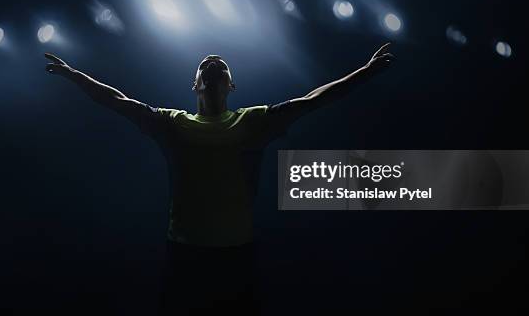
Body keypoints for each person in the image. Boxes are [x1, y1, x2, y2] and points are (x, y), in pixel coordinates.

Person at [44, 43, 394, 314]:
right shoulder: (172, 123)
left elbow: (312, 100)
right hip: (185, 257)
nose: (213, 60)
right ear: (195, 83)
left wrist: (364, 72)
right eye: (206, 65)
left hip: (235, 257)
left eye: (221, 65)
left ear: (231, 84)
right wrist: (74, 74)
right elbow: (117, 100)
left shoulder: (253, 121)